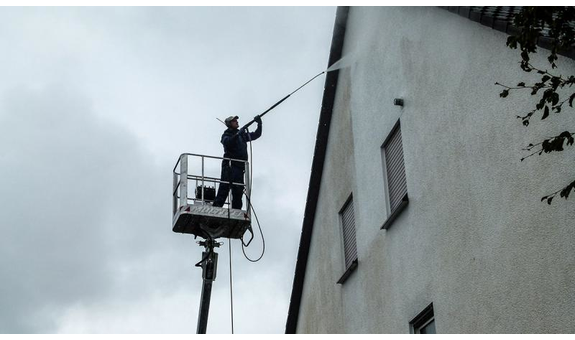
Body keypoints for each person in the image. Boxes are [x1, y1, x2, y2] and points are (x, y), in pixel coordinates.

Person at [212, 115, 262, 209]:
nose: (236, 122)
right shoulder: (226, 135)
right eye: (234, 121)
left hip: (239, 167)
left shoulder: (242, 136)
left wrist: (259, 124)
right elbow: (228, 143)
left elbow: (256, 135)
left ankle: (236, 210)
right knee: (224, 189)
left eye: (236, 120)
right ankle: (216, 208)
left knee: (238, 192)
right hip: (229, 166)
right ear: (229, 124)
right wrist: (238, 134)